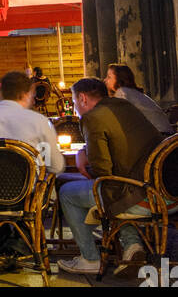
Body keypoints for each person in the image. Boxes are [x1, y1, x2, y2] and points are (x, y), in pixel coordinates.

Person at [57, 76, 164, 275]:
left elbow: (101, 172)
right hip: (165, 192)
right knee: (116, 187)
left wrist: (83, 163)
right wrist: (86, 151)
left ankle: (89, 258)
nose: (75, 107)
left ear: (82, 98)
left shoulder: (92, 117)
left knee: (68, 192)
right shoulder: (124, 106)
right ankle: (132, 247)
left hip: (141, 197)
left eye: (73, 102)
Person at [105, 64, 173, 136]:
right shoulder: (131, 92)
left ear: (119, 78)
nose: (105, 80)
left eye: (109, 77)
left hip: (157, 137)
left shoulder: (122, 92)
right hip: (163, 135)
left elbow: (119, 119)